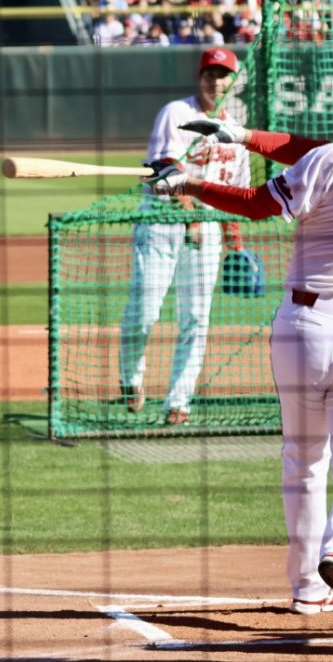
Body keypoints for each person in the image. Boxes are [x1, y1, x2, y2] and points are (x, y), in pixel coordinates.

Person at [147, 57, 333, 626]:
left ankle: (308, 586)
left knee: (303, 462)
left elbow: (260, 203)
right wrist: (241, 136)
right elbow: (324, 153)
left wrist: (188, 182)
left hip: (304, 330)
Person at [117, 47, 251, 423]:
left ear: (233, 82)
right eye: (210, 74)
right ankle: (131, 377)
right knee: (144, 311)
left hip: (207, 229)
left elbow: (236, 190)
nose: (216, 81)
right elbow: (166, 164)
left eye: (223, 75)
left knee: (196, 317)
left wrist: (235, 242)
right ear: (200, 78)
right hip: (162, 220)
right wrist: (190, 213)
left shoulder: (237, 127)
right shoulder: (178, 112)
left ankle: (179, 400)